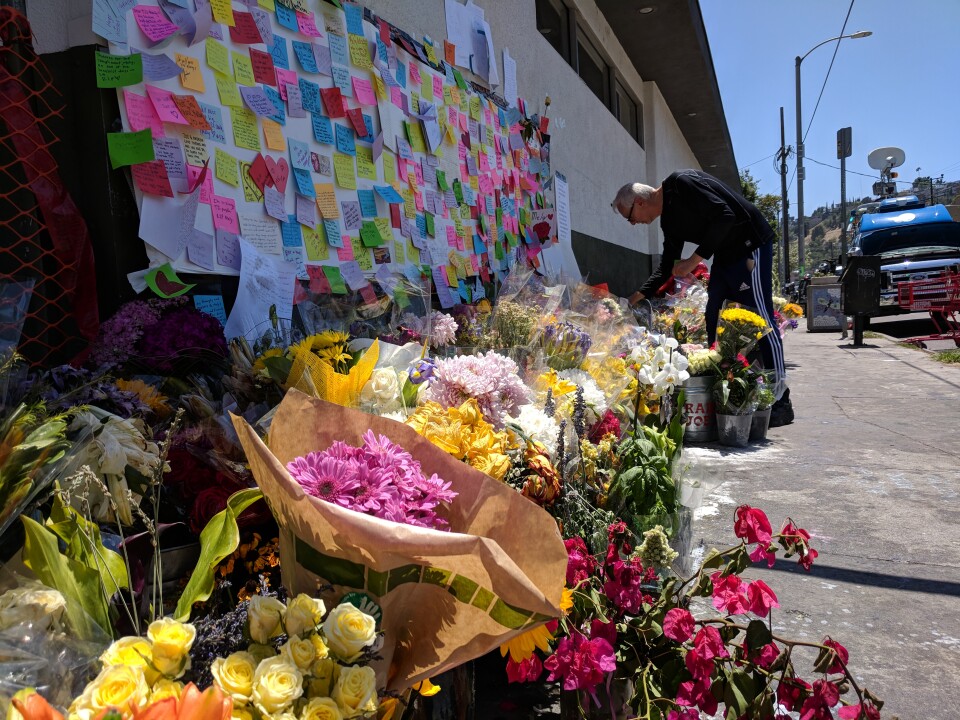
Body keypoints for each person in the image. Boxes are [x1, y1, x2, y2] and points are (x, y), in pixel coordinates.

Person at [612, 170, 794, 427]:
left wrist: (692, 261)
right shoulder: (669, 222)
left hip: (750, 244)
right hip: (725, 254)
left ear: (639, 203)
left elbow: (726, 216)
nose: (632, 223)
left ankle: (781, 401)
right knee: (713, 318)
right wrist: (630, 301)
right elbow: (666, 267)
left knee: (762, 319)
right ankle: (728, 392)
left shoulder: (682, 184)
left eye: (629, 217)